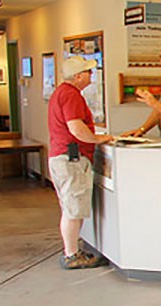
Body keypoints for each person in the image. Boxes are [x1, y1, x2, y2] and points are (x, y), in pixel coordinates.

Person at [48, 56, 115, 269]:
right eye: (88, 72)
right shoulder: (71, 95)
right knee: (73, 209)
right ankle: (71, 254)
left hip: (62, 157)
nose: (91, 75)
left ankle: (72, 250)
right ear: (78, 76)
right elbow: (76, 128)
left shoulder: (61, 92)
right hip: (71, 159)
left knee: (70, 206)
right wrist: (99, 138)